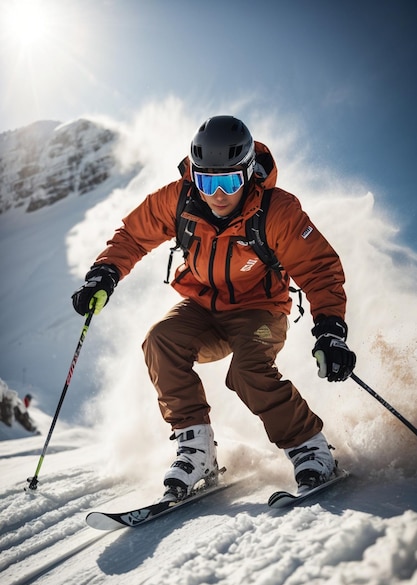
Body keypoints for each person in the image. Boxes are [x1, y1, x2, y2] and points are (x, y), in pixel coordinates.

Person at [72, 115, 356, 501]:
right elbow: (134, 236)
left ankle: (310, 448)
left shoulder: (276, 211)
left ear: (248, 173)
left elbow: (318, 268)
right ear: (194, 175)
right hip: (202, 305)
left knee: (247, 369)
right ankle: (197, 449)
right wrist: (104, 273)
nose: (218, 194)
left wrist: (330, 330)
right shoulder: (178, 201)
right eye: (207, 181)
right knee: (160, 340)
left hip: (260, 311)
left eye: (229, 181)